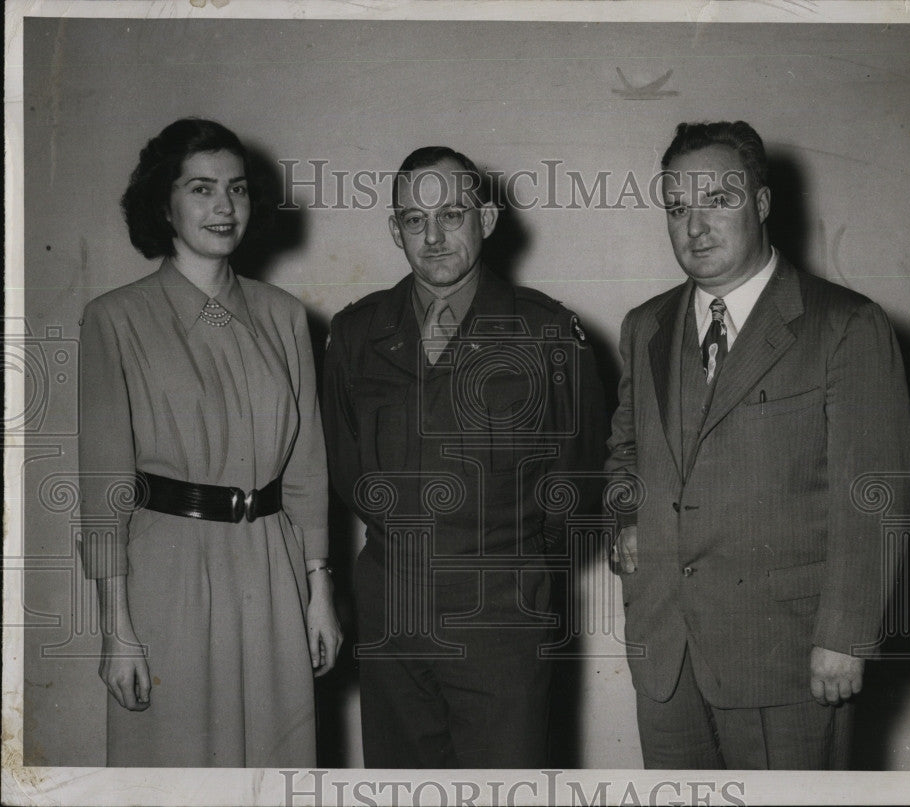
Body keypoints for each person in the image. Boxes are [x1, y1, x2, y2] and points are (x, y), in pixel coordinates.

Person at [606, 121, 910, 769]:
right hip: (666, 654)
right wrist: (625, 518)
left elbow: (873, 498)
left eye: (718, 200)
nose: (695, 226)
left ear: (763, 204)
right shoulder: (645, 326)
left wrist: (845, 637)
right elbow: (625, 452)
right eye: (678, 207)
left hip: (788, 658)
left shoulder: (845, 325)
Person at [322, 146, 606, 767]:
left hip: (501, 610)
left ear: (489, 218)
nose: (434, 236)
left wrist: (508, 556)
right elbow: (347, 471)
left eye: (452, 215)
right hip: (393, 603)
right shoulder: (356, 333)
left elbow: (577, 480)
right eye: (415, 221)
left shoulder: (546, 331)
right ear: (394, 229)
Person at [78, 118, 342, 767]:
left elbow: (307, 466)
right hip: (168, 572)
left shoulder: (282, 316)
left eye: (238, 189)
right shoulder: (116, 318)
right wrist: (117, 629)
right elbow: (104, 484)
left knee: (274, 762)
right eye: (201, 189)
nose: (224, 207)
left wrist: (320, 593)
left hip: (271, 566)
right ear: (163, 204)